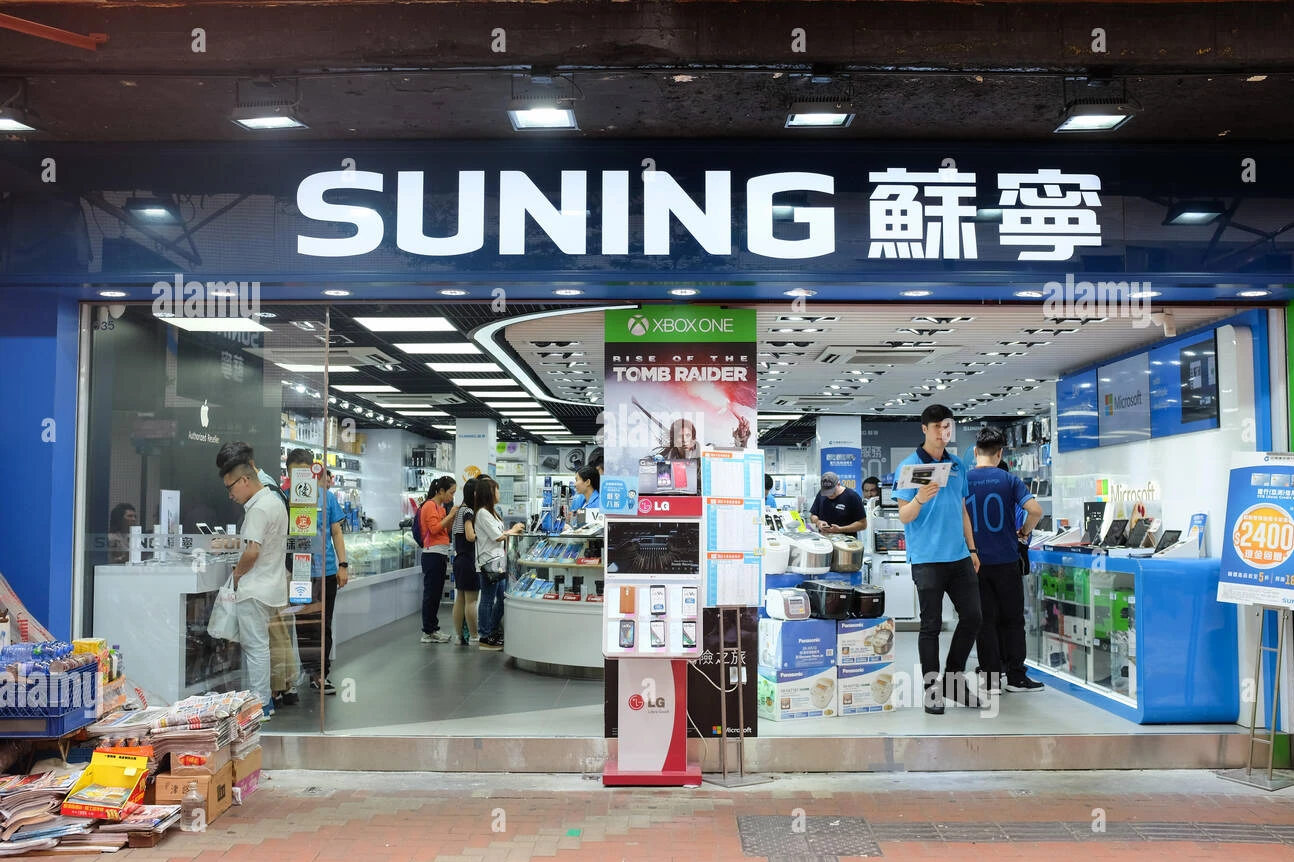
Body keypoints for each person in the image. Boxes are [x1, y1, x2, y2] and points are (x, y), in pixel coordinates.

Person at [894, 404, 985, 715]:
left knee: (973, 617)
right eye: (937, 427)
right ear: (925, 429)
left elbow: (962, 510)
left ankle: (954, 680)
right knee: (931, 625)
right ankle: (932, 691)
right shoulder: (909, 467)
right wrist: (919, 498)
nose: (943, 432)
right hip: (927, 559)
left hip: (959, 557)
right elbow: (904, 516)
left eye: (947, 427)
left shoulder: (957, 465)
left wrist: (972, 549)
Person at [966, 445, 1045, 694]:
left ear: (976, 451)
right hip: (1006, 560)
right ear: (999, 453)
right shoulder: (1009, 480)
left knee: (984, 621)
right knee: (1013, 620)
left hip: (975, 562)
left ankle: (990, 680)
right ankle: (1016, 677)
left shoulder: (964, 480)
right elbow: (1035, 510)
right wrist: (1024, 532)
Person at [219, 460, 288, 719]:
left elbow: (252, 550)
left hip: (255, 588)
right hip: (271, 586)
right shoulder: (275, 501)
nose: (230, 495)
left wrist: (237, 575)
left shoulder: (258, 509)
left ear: (245, 480)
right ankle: (263, 700)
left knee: (255, 648)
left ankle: (261, 704)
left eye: (230, 487)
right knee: (261, 647)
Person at [474, 476, 523, 651]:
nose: (499, 493)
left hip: (497, 561)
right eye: (496, 490)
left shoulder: (491, 512)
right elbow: (498, 536)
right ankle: (484, 636)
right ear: (490, 493)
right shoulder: (482, 513)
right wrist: (513, 530)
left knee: (502, 598)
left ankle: (492, 630)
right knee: (487, 599)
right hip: (489, 562)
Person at [419, 476, 459, 644]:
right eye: (451, 492)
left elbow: (445, 529)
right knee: (431, 593)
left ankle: (433, 628)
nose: (452, 496)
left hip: (440, 553)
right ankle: (428, 631)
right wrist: (451, 515)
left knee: (436, 594)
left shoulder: (441, 508)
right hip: (432, 554)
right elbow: (434, 529)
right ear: (441, 491)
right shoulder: (429, 506)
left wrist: (451, 517)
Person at [451, 478, 481, 646]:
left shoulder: (459, 511)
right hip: (469, 559)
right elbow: (470, 536)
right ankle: (474, 636)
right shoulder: (468, 511)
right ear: (475, 493)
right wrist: (483, 535)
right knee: (471, 600)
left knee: (460, 599)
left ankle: (458, 636)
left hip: (459, 558)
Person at [809, 472, 868, 538]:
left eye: (832, 491)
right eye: (826, 492)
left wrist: (840, 529)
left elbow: (863, 524)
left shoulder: (852, 496)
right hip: (824, 539)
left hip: (846, 540)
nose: (829, 494)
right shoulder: (821, 494)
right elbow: (813, 515)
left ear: (838, 484)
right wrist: (818, 522)